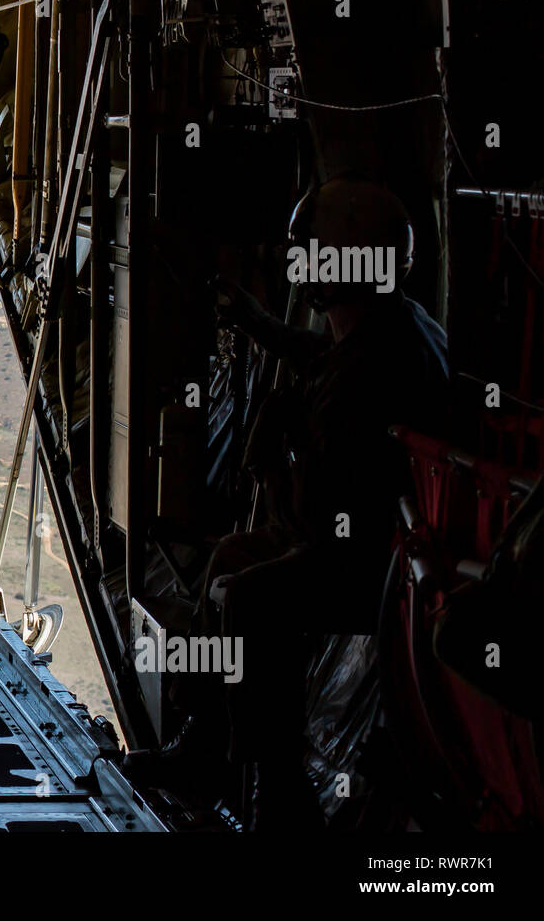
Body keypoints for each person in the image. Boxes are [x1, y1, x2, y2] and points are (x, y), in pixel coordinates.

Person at [129, 176, 450, 829]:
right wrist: (256, 320)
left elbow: (320, 523)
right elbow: (321, 358)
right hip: (389, 544)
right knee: (231, 558)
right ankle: (206, 744)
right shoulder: (390, 324)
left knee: (252, 595)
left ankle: (277, 790)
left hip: (376, 565)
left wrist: (273, 460)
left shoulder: (366, 372)